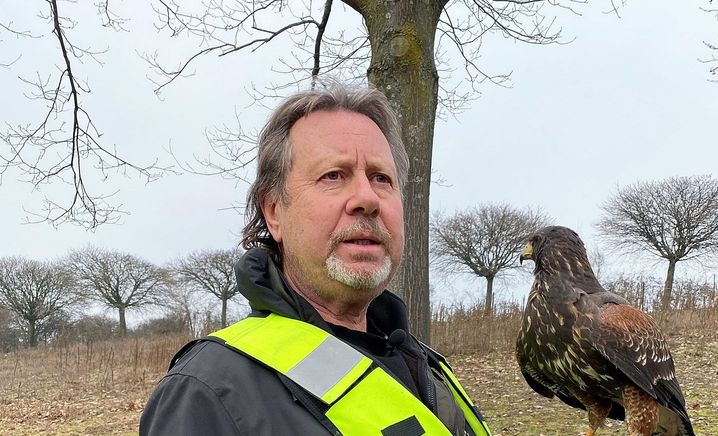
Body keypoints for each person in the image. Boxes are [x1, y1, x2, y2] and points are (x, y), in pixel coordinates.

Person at [140, 82, 491, 436]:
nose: (366, 198)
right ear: (274, 211)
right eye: (333, 176)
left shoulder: (425, 366)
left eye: (381, 178)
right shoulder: (207, 393)